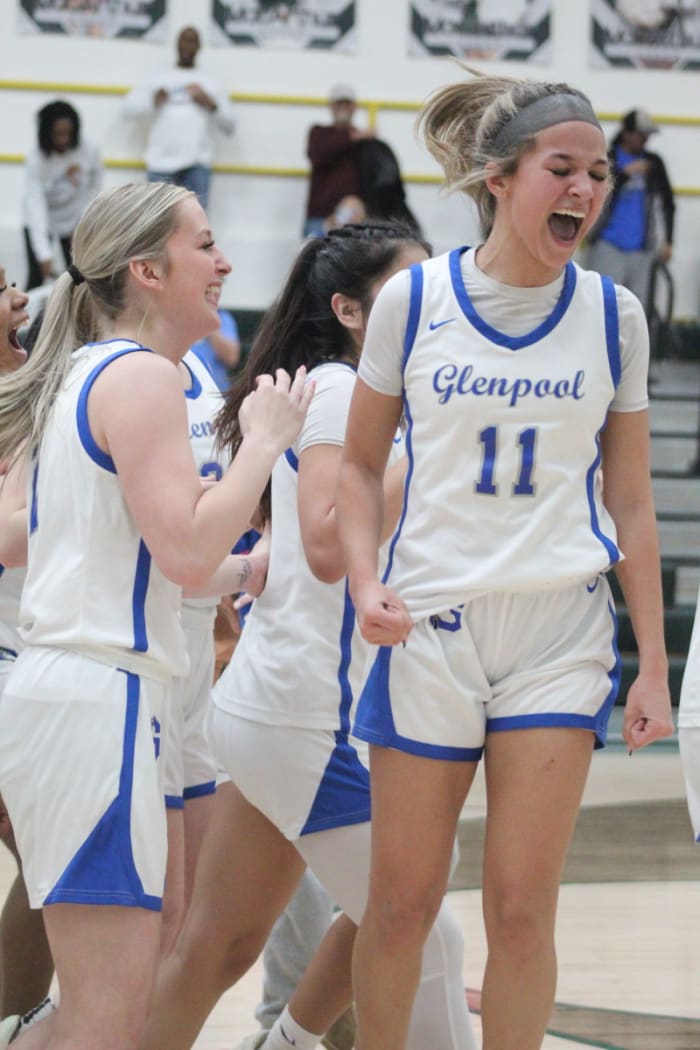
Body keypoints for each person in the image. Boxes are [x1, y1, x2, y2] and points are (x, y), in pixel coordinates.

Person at [335, 72, 675, 1050]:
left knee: (522, 913)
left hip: (556, 633)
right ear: (497, 179)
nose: (582, 190)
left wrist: (650, 661)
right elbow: (357, 469)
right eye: (559, 170)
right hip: (430, 626)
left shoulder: (614, 314)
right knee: (400, 908)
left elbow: (632, 501)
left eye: (597, 174)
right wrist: (364, 580)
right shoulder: (414, 299)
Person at [136, 222, 476, 1050]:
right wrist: (439, 451)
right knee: (427, 934)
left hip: (276, 705)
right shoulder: (335, 388)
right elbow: (329, 547)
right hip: (307, 714)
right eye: (408, 285)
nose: (430, 300)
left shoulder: (376, 392)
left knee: (220, 944)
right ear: (351, 311)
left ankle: (282, 1041)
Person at [0, 181, 312, 1050]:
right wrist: (265, 442)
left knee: (134, 981)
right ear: (146, 268)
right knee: (109, 1014)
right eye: (205, 245)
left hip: (103, 696)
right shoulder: (137, 377)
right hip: (97, 701)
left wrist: (247, 565)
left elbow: (160, 561)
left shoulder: (108, 374)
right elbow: (180, 549)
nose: (225, 262)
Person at [0, 271, 57, 1036]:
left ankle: (18, 1018)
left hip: (37, 647)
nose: (18, 295)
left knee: (57, 859)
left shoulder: (45, 375)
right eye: (2, 286)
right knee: (59, 854)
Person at [123, 25, 235, 210]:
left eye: (192, 41)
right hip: (160, 163)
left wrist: (211, 104)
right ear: (177, 44)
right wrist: (152, 101)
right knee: (156, 227)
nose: (187, 46)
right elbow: (126, 110)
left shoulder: (210, 82)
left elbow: (230, 126)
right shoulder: (158, 77)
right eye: (184, 40)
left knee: (195, 230)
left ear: (199, 46)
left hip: (197, 164)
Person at [586, 108, 675, 318]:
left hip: (643, 247)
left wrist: (668, 240)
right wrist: (626, 174)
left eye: (647, 136)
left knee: (638, 308)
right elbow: (595, 194)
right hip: (608, 242)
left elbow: (668, 203)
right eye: (640, 134)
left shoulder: (654, 163)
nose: (644, 140)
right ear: (627, 133)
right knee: (601, 303)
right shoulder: (607, 160)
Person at [22, 100, 103, 290]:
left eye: (68, 133)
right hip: (42, 222)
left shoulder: (88, 148)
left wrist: (82, 223)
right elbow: (36, 206)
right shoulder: (36, 159)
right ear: (46, 133)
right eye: (57, 134)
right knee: (36, 281)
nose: (63, 140)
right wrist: (44, 254)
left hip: (74, 220)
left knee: (79, 280)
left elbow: (95, 187)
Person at [304, 85, 374, 238]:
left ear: (354, 107)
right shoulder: (319, 133)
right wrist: (355, 137)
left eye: (347, 104)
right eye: (339, 103)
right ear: (331, 106)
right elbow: (317, 154)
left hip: (352, 219)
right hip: (319, 216)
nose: (343, 108)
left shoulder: (364, 141)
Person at [189, 306, 241, 392]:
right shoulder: (178, 317)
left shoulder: (223, 317)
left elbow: (232, 358)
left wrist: (209, 323)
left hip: (217, 393)